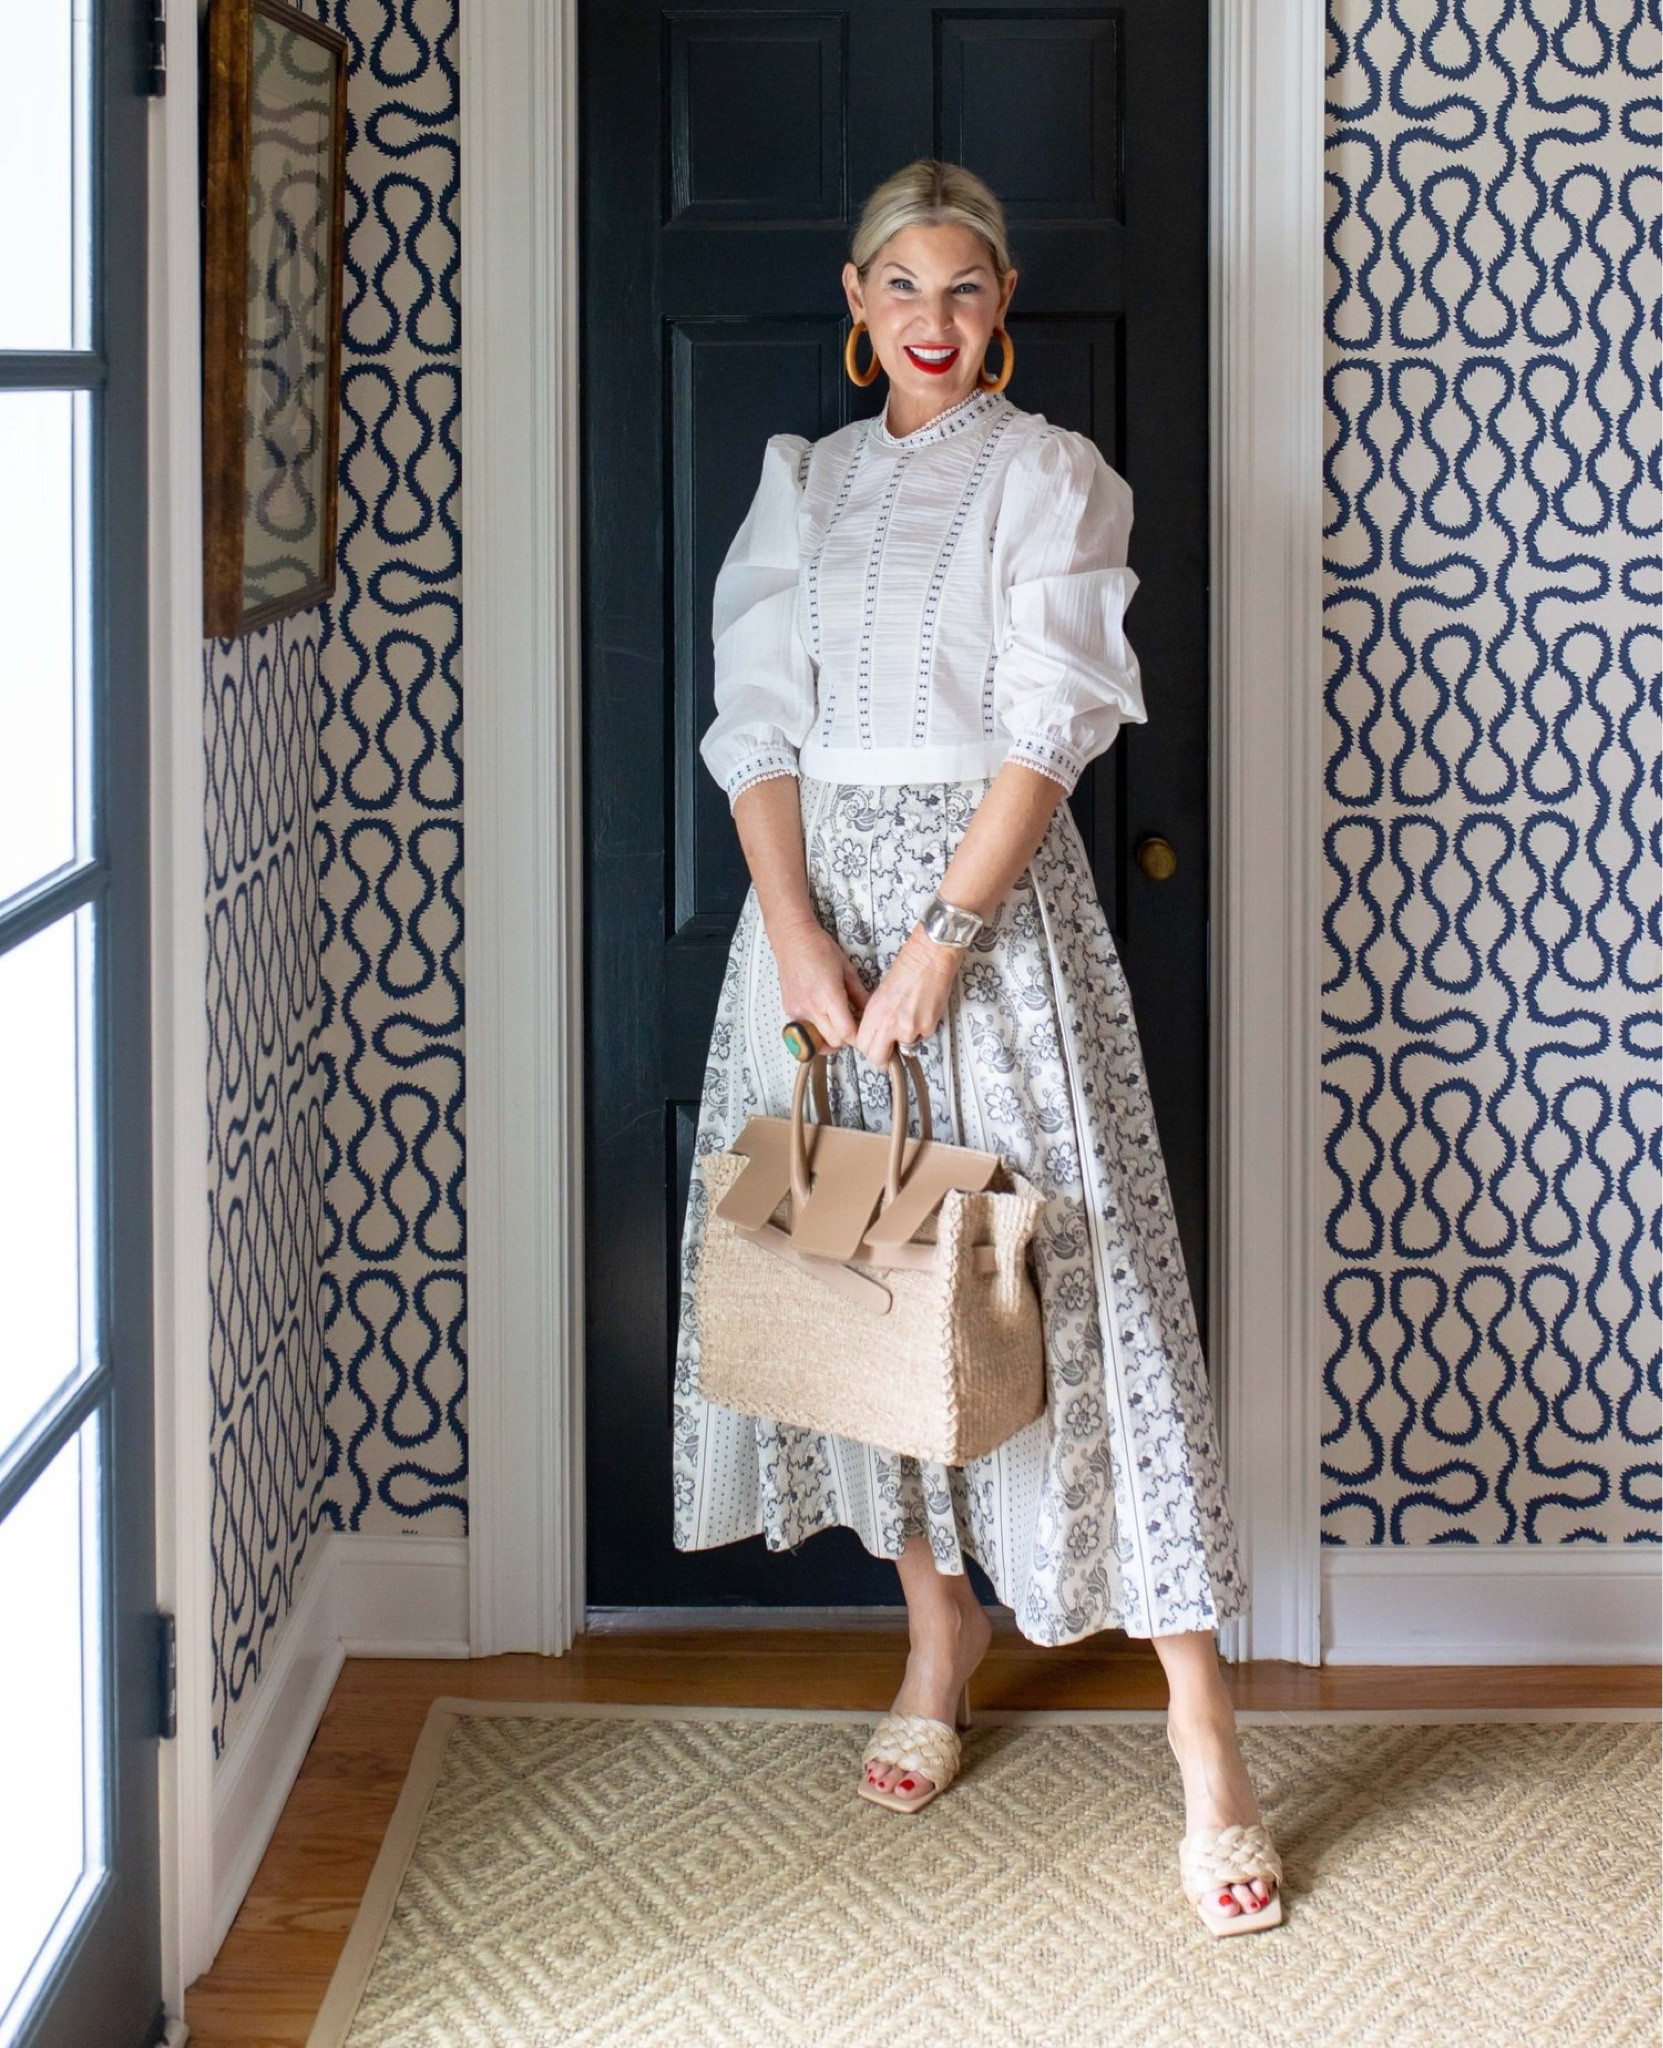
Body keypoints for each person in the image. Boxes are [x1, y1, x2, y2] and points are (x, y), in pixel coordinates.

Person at [672, 158, 1283, 1936]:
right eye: (900, 288)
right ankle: (937, 1638)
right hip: (813, 935)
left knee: (1073, 1295)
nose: (933, 321)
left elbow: (1052, 719)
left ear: (1000, 305)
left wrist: (942, 935)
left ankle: (1206, 1742)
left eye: (965, 288)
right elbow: (757, 723)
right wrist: (796, 933)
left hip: (988, 925)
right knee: (872, 1283)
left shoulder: (1049, 475)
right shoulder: (806, 484)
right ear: (857, 308)